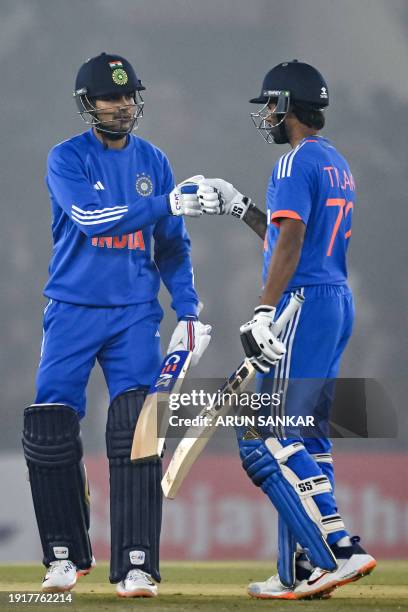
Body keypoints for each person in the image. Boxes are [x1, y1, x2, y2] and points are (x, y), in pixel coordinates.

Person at [22, 52, 211, 598]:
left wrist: (190, 310)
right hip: (72, 310)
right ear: (89, 104)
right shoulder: (66, 159)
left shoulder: (155, 159)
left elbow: (174, 247)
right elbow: (89, 218)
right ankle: (63, 555)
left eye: (129, 96)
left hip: (133, 314)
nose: (124, 105)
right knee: (50, 428)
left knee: (137, 429)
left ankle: (137, 564)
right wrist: (165, 204)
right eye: (111, 97)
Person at [197, 60, 376, 600]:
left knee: (268, 432)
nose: (266, 115)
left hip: (304, 301)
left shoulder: (292, 161)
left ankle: (337, 550)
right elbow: (288, 238)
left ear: (288, 105)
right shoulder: (335, 161)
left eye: (270, 104)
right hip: (334, 300)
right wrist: (242, 208)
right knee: (309, 435)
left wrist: (262, 310)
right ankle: (298, 568)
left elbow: (293, 242)